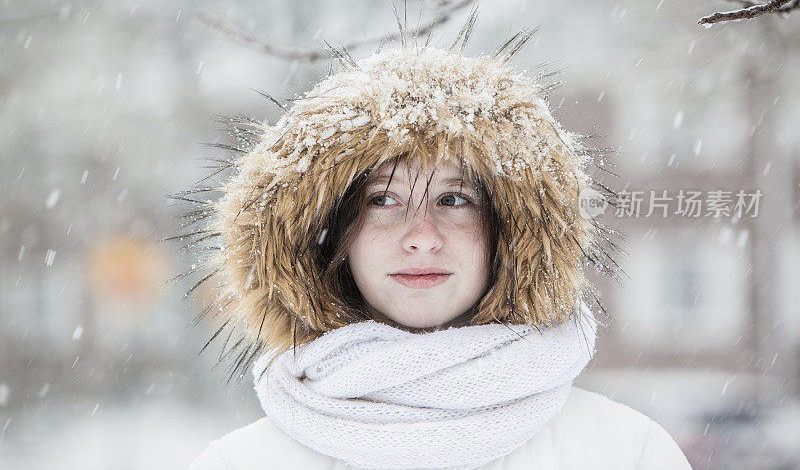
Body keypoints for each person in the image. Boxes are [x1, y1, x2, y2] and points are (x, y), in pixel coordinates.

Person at [181, 25, 692, 469]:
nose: (422, 235)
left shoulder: (627, 456)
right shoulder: (239, 465)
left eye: (454, 198)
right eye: (382, 200)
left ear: (511, 230)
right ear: (328, 231)